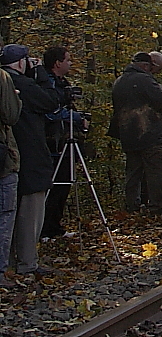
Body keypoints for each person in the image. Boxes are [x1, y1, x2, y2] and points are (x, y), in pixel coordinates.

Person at [3, 44, 62, 278]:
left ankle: (6, 262)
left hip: (7, 156)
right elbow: (51, 101)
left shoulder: (4, 82)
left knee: (7, 212)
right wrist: (41, 77)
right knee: (31, 210)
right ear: (21, 62)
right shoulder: (24, 84)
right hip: (29, 155)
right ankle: (27, 261)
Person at [109, 51, 162, 216]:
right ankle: (157, 207)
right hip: (148, 133)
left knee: (133, 173)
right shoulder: (144, 80)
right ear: (145, 66)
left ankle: (132, 207)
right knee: (159, 170)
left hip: (127, 135)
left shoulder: (120, 81)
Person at [41, 47, 87, 239]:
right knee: (54, 185)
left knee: (64, 184)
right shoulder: (47, 84)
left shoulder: (61, 83)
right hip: (53, 141)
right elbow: (50, 111)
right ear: (57, 63)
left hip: (64, 140)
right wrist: (76, 117)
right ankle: (44, 228)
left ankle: (55, 227)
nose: (70, 63)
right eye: (68, 60)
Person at [0, 62, 19, 286]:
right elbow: (11, 115)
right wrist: (16, 98)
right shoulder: (3, 78)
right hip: (3, 160)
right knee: (4, 214)